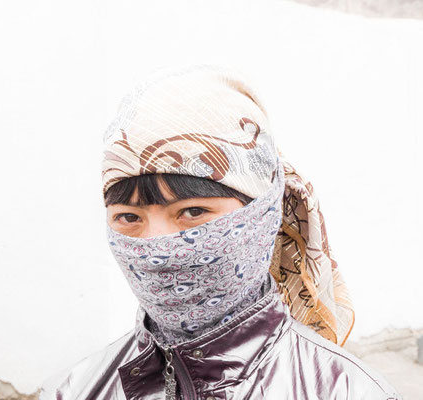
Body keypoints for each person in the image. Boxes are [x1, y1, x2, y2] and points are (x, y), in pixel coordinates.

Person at [39, 64, 402, 399]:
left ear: (263, 214)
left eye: (192, 212)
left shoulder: (348, 390)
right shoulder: (74, 389)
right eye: (129, 218)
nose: (156, 245)